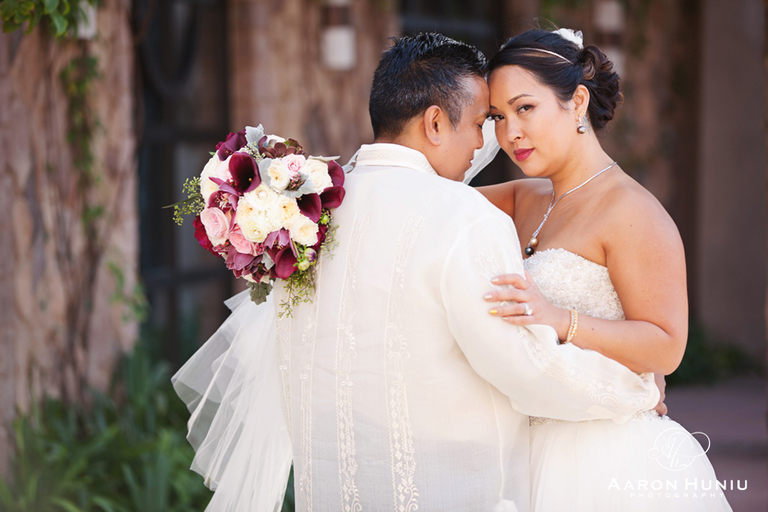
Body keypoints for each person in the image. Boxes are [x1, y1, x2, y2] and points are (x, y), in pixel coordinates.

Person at [173, 32, 662, 512]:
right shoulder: (465, 218)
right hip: (450, 492)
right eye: (482, 122)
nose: (484, 142)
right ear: (435, 122)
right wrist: (633, 389)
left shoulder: (309, 219)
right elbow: (522, 367)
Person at [477, 28, 732, 511]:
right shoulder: (524, 198)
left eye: (524, 108)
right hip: (524, 450)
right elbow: (433, 203)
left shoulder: (632, 211)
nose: (509, 134)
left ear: (576, 102)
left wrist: (558, 319)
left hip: (604, 459)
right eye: (497, 117)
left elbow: (666, 345)